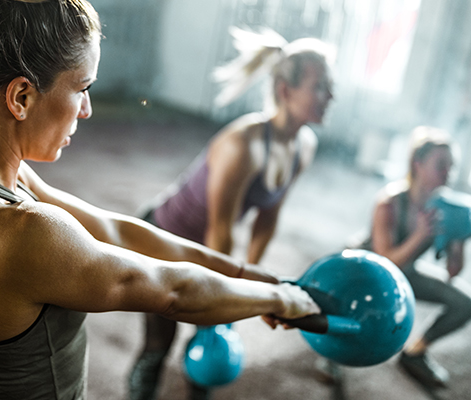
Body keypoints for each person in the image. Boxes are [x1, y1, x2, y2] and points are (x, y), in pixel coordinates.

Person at [0, 1, 321, 399]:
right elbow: (173, 291)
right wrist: (280, 301)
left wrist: (249, 275)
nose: (86, 109)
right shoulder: (20, 232)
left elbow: (117, 230)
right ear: (22, 96)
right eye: (82, 87)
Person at [128, 27, 334, 400]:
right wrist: (231, 295)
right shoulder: (244, 144)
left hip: (208, 243)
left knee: (208, 346)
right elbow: (220, 233)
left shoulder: (304, 145)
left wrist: (251, 284)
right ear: (286, 91)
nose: (330, 96)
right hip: (165, 237)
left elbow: (267, 218)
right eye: (320, 87)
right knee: (160, 342)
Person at [355, 126, 471, 388]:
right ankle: (332, 357)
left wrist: (460, 240)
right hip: (366, 272)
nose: (448, 174)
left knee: (465, 303)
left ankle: (415, 352)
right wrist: (420, 235)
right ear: (417, 164)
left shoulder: (445, 208)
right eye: (441, 165)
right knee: (359, 315)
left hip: (404, 273)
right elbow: (385, 262)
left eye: (451, 167)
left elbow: (453, 272)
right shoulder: (389, 203)